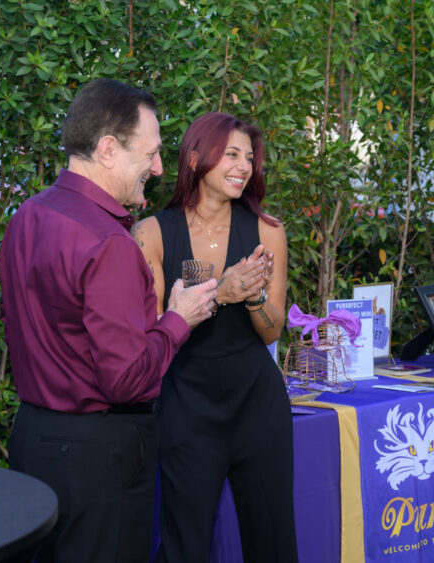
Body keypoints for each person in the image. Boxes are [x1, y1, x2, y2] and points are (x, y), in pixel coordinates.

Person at [0, 79, 217, 562]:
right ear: (109, 150)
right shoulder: (108, 242)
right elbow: (126, 380)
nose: (159, 168)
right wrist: (178, 320)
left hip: (32, 439)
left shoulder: (26, 217)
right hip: (98, 457)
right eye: (153, 153)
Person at [133, 112, 298, 561]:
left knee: (274, 542)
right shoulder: (151, 234)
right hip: (187, 409)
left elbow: (271, 330)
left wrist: (251, 296)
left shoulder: (269, 231)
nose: (244, 166)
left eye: (249, 157)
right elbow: (150, 335)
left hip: (257, 406)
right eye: (231, 154)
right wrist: (220, 294)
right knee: (185, 544)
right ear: (195, 156)